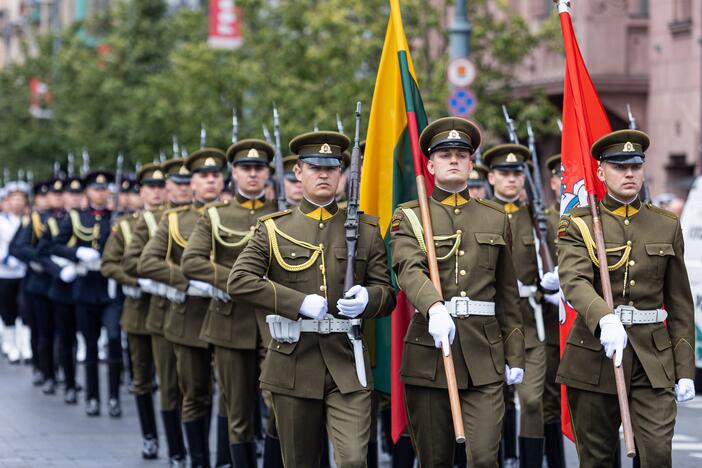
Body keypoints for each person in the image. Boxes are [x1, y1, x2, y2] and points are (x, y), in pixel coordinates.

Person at [228, 131, 396, 468]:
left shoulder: (365, 229)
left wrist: (368, 298)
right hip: (293, 362)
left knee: (352, 460)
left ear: (342, 175)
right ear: (298, 173)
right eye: (314, 167)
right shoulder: (273, 229)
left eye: (331, 168)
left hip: (347, 362)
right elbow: (239, 281)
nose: (323, 174)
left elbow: (388, 294)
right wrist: (297, 303)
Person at [390, 117, 524, 467]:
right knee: (435, 459)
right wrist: (434, 307)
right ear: (430, 164)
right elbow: (407, 267)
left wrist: (516, 352)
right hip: (430, 354)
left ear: (470, 163)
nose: (453, 159)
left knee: (483, 457)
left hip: (485, 356)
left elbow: (507, 295)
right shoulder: (411, 216)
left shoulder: (495, 217)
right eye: (445, 154)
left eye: (461, 154)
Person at [556, 129, 695, 467]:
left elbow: (679, 302)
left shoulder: (665, 225)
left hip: (653, 359)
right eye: (619, 167)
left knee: (657, 455)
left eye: (635, 166)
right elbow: (573, 280)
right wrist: (604, 317)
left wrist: (685, 367)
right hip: (594, 354)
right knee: (598, 458)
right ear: (601, 173)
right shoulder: (579, 224)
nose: (629, 173)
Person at [182, 138, 280, 466]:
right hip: (230, 320)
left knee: (277, 404)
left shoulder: (281, 215)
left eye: (259, 168)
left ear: (268, 173)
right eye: (245, 168)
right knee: (237, 412)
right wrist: (238, 283)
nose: (253, 174)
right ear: (234, 174)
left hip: (274, 322)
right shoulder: (215, 215)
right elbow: (192, 262)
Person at [139, 149, 227, 467]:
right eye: (203, 176)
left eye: (216, 175)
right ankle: (196, 460)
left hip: (230, 316)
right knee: (195, 393)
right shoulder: (175, 219)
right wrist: (186, 281)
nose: (210, 181)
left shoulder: (236, 215)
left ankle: (225, 460)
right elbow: (147, 262)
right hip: (189, 315)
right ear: (191, 183)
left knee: (231, 397)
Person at [124, 158, 191, 467]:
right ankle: (174, 448)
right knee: (167, 384)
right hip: (161, 311)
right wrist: (164, 280)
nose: (181, 189)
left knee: (195, 385)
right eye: (175, 184)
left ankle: (199, 446)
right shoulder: (148, 221)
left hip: (200, 311)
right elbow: (131, 263)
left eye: (185, 183)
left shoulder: (208, 216)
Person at [484, 143, 546, 466]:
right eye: (505, 173)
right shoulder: (481, 214)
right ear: (491, 177)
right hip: (490, 323)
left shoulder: (536, 216)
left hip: (529, 324)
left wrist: (550, 280)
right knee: (495, 403)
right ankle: (500, 456)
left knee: (533, 401)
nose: (512, 179)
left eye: (517, 173)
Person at [102, 163, 166, 459]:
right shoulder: (126, 225)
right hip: (140, 311)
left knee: (172, 381)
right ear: (141, 192)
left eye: (161, 186)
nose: (157, 192)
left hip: (171, 312)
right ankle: (150, 436)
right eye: (150, 187)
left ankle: (177, 443)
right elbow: (109, 263)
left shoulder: (181, 219)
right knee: (142, 378)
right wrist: (133, 281)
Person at [48, 170, 123, 417]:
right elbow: (56, 245)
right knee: (90, 345)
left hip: (110, 287)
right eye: (96, 189)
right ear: (88, 192)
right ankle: (93, 397)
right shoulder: (76, 218)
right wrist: (76, 254)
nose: (101, 193)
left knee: (113, 340)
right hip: (85, 288)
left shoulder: (118, 218)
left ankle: (113, 397)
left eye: (104, 189)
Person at [36, 176, 84, 404]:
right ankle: (66, 381)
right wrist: (58, 270)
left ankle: (74, 379)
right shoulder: (54, 223)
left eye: (78, 194)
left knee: (78, 338)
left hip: (84, 286)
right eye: (70, 194)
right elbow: (42, 253)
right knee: (61, 337)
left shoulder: (89, 219)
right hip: (62, 286)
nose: (74, 198)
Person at [10, 180, 53, 382]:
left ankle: (57, 369)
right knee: (39, 328)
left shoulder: (64, 218)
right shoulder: (32, 220)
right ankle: (41, 367)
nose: (48, 199)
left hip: (60, 281)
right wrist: (37, 260)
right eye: (43, 196)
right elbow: (17, 248)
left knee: (60, 330)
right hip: (37, 281)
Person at [0, 182, 28, 364]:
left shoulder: (28, 220)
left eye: (21, 198)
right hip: (4, 272)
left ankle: (24, 345)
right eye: (14, 198)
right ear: (7, 201)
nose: (17, 202)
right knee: (7, 308)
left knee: (24, 309)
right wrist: (6, 258)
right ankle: (10, 345)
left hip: (24, 271)